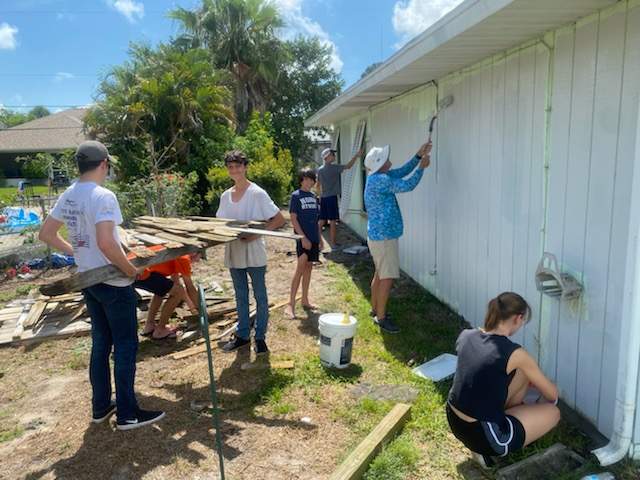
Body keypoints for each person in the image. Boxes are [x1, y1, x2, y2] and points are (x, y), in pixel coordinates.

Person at [39, 140, 164, 430]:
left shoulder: (69, 194)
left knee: (101, 343)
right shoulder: (103, 196)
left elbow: (46, 233)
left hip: (89, 279)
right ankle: (128, 414)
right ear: (104, 164)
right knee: (125, 345)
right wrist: (131, 270)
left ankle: (100, 406)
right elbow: (107, 243)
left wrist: (77, 251)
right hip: (112, 281)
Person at [447, 292, 560, 467]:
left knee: (521, 373)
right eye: (523, 321)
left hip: (455, 421)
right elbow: (552, 395)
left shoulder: (466, 335)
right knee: (553, 413)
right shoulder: (515, 353)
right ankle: (493, 446)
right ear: (518, 318)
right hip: (486, 437)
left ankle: (509, 421)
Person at [215, 150, 285, 355]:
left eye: (238, 166)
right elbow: (220, 225)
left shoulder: (257, 193)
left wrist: (256, 235)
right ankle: (243, 335)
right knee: (240, 295)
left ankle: (260, 338)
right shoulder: (225, 196)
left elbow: (278, 219)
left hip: (254, 250)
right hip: (234, 250)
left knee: (260, 296)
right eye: (231, 167)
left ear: (245, 167)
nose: (234, 170)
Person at [363, 141, 431, 333]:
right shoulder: (381, 180)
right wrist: (422, 169)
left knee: (379, 274)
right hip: (384, 237)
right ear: (381, 163)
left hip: (378, 235)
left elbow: (401, 172)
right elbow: (408, 184)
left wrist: (418, 156)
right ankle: (382, 318)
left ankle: (376, 309)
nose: (389, 160)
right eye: (385, 158)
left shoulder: (376, 176)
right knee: (387, 277)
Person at [285, 168, 323, 319]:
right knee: (300, 269)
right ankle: (290, 304)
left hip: (314, 238)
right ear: (301, 180)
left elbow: (316, 221)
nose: (309, 182)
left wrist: (319, 239)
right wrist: (302, 238)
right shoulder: (296, 196)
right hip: (303, 239)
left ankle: (305, 299)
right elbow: (293, 219)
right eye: (306, 179)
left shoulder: (314, 197)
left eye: (311, 179)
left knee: (309, 268)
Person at [317, 147, 363, 249]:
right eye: (333, 154)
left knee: (321, 221)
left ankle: (317, 242)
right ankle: (333, 244)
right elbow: (349, 166)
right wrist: (357, 155)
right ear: (327, 157)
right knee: (333, 221)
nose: (334, 156)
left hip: (323, 198)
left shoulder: (320, 170)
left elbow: (318, 185)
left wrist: (319, 197)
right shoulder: (333, 168)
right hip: (331, 198)